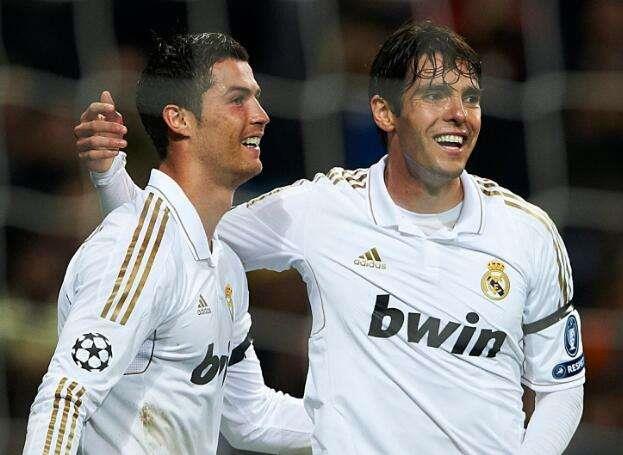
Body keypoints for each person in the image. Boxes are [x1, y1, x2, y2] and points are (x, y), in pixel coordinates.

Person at [77, 21, 585, 454]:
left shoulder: (528, 232)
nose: (459, 113)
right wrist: (111, 177)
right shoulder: (322, 209)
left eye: (470, 97)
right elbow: (177, 235)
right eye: (434, 95)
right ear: (385, 112)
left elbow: (561, 387)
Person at [23, 33, 312, 455]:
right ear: (179, 119)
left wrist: (379, 421)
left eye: (257, 98)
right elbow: (65, 398)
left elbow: (251, 416)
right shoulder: (137, 247)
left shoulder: (224, 264)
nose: (261, 116)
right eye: (238, 99)